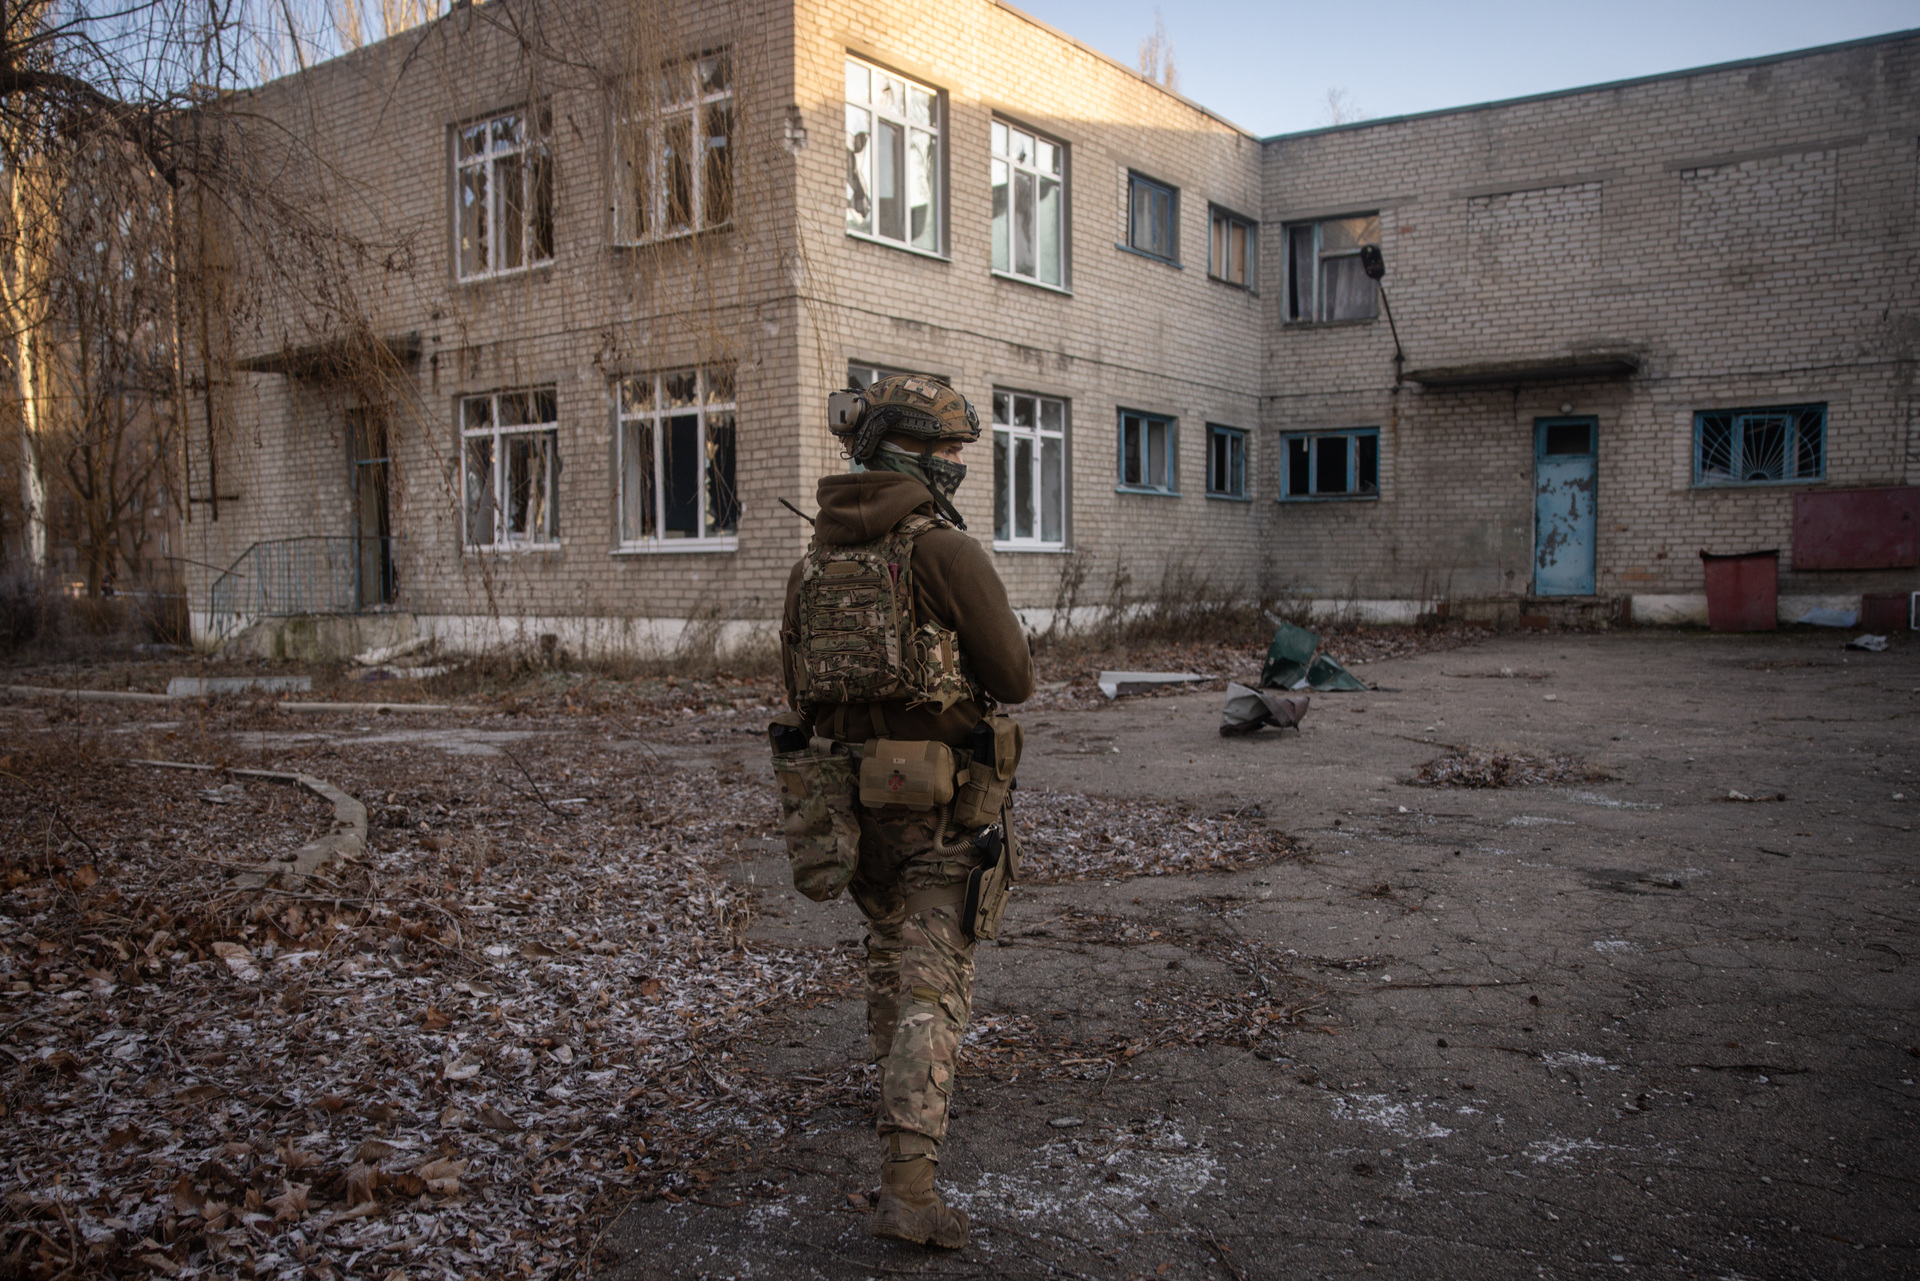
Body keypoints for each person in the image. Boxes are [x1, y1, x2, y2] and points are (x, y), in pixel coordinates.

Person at [780, 375, 1034, 1248]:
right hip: (937, 806)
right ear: (908, 454)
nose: (960, 463)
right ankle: (910, 1189)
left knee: (892, 953)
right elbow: (1016, 679)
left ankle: (894, 1096)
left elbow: (797, 691)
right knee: (935, 982)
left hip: (851, 810)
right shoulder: (945, 554)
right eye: (949, 449)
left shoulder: (811, 563)